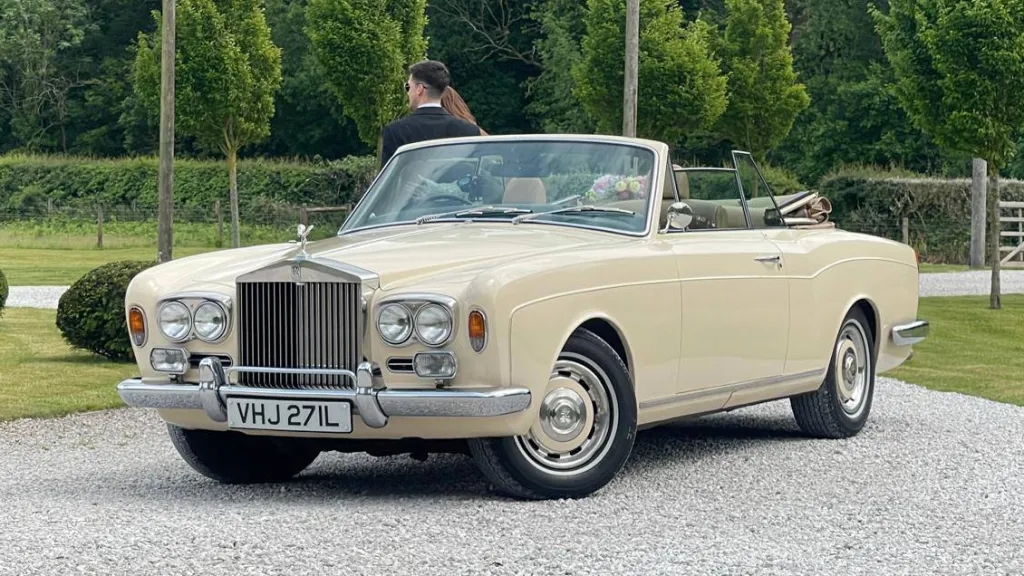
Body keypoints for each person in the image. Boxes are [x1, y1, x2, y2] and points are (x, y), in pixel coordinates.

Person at [379, 60, 482, 167]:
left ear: (419, 89)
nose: (407, 92)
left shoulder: (395, 132)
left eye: (408, 87)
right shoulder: (470, 131)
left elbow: (390, 181)